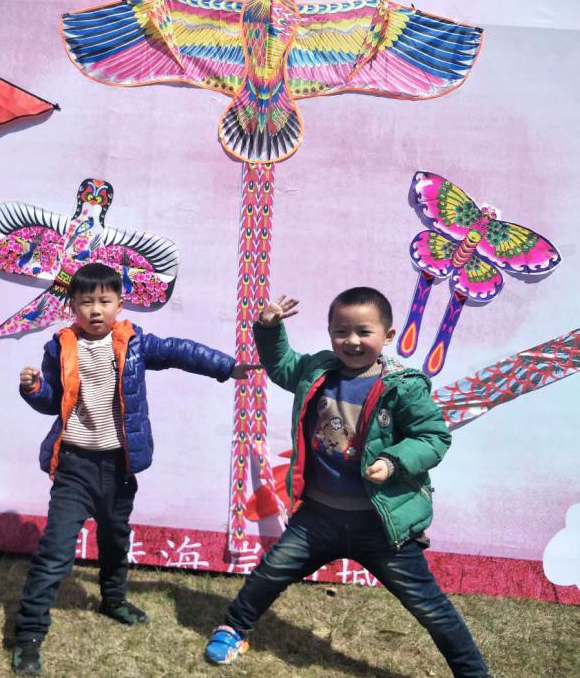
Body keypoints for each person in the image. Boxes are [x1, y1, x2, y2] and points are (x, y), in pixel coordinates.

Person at [204, 287, 490, 677]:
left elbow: (433, 437)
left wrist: (392, 462)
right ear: (330, 333)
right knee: (270, 572)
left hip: (381, 525)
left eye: (364, 332)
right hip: (318, 518)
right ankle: (233, 629)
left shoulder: (402, 386)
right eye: (341, 332)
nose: (352, 341)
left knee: (429, 605)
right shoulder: (318, 371)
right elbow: (282, 366)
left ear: (388, 336)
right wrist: (268, 329)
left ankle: (473, 672)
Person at [12, 262, 259, 675]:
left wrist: (225, 367)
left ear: (119, 304)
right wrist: (34, 388)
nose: (95, 310)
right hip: (74, 467)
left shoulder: (136, 342)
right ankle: (29, 636)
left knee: (115, 539)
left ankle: (113, 600)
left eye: (104, 301)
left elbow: (179, 351)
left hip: (118, 467)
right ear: (72, 306)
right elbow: (53, 400)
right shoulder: (59, 346)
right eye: (86, 302)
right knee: (55, 554)